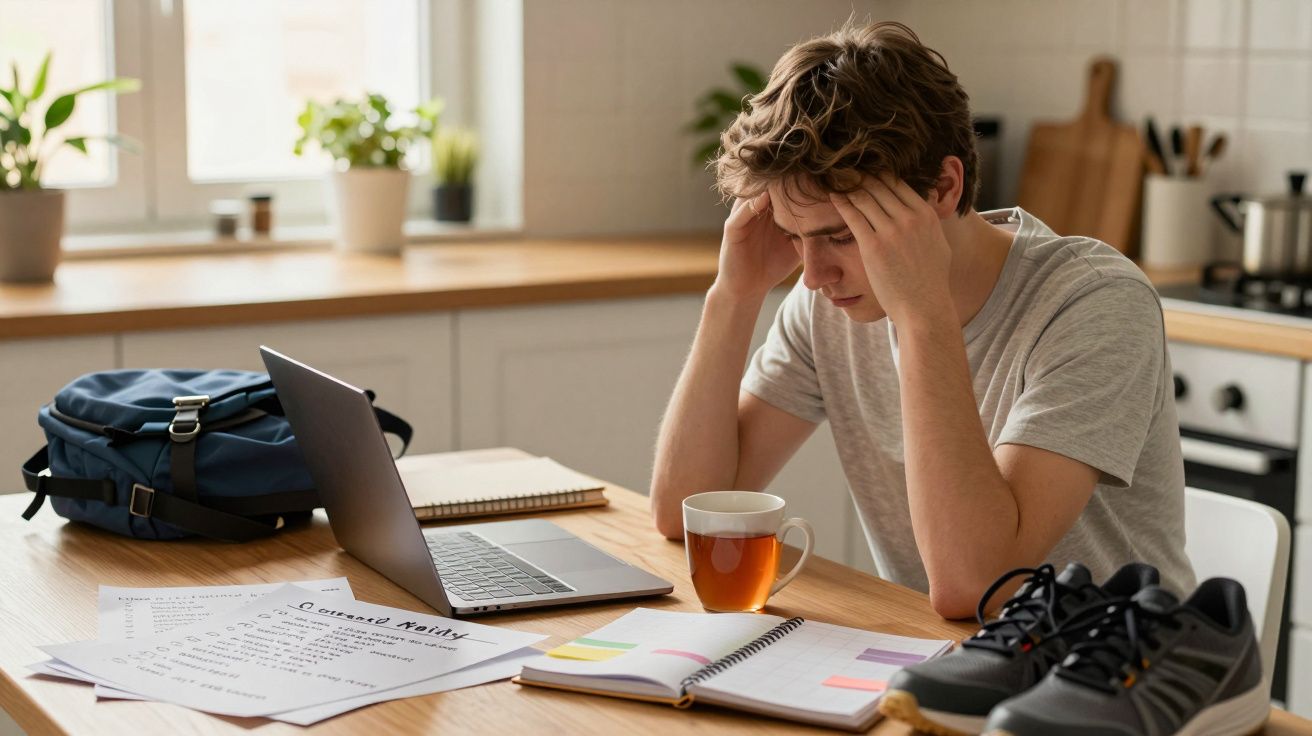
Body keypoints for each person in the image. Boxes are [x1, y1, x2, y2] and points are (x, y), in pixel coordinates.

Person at [649, 20, 1194, 619]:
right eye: (794, 236)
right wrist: (733, 295)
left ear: (942, 187)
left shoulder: (1094, 302)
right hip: (951, 654)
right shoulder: (828, 304)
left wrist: (923, 315)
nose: (814, 274)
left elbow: (977, 586)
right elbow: (683, 513)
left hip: (1116, 659)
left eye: (841, 236)